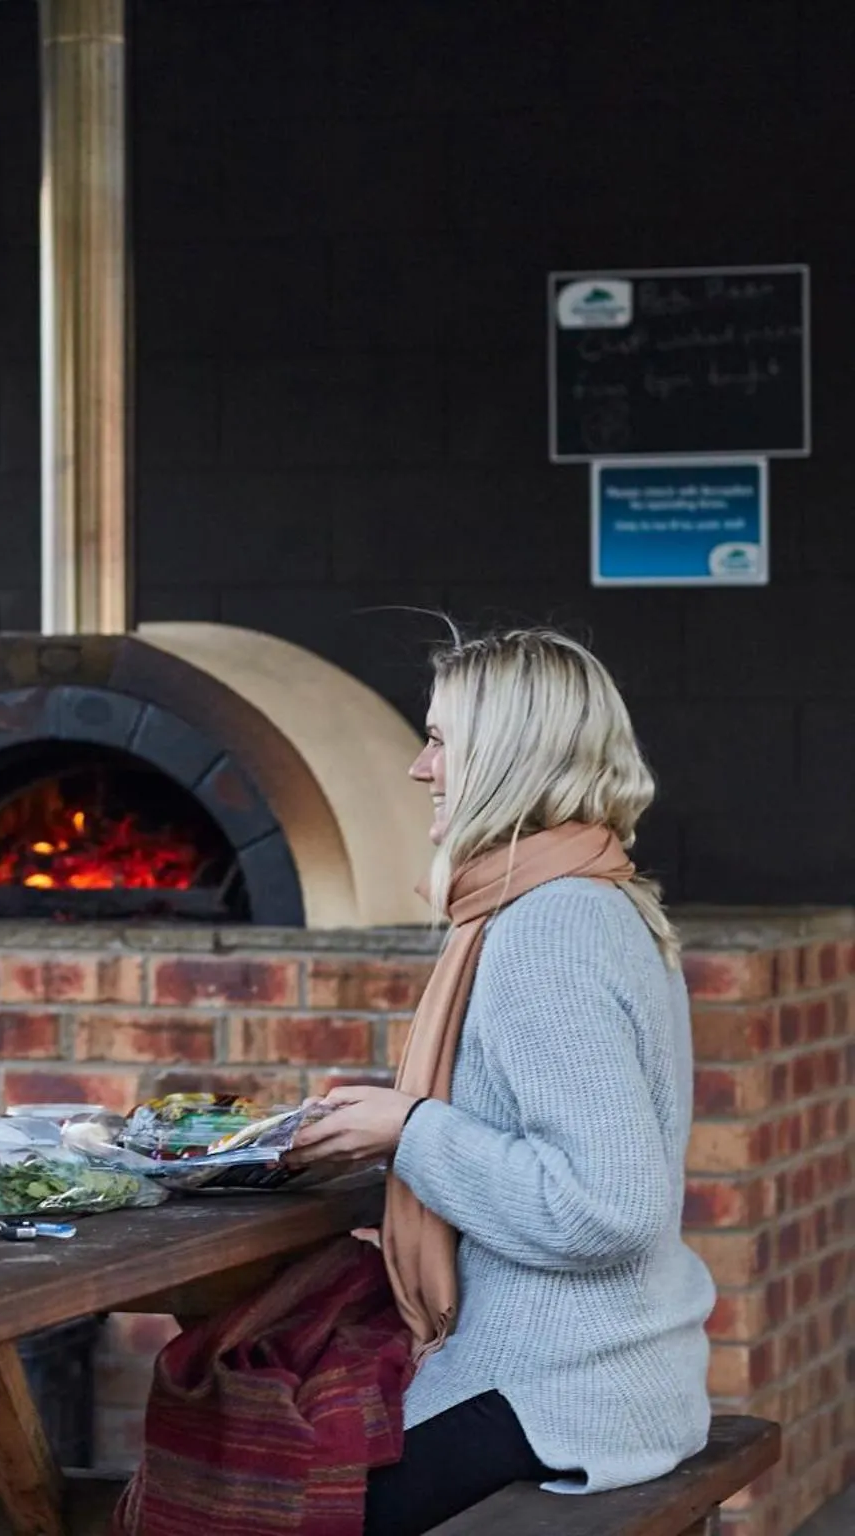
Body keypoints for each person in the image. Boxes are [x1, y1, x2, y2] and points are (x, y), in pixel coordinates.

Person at [286, 628, 716, 1533]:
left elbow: (606, 1207)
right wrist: (400, 1123)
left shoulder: (545, 927)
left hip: (562, 1393)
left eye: (441, 740)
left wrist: (412, 1130)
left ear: (507, 760)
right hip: (623, 1372)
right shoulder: (597, 899)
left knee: (267, 1496)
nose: (420, 767)